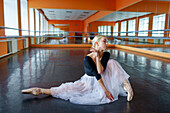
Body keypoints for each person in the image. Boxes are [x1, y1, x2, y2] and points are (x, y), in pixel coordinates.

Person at [22, 35, 134, 105]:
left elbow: (101, 70)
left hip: (104, 78)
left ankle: (127, 85)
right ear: (96, 43)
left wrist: (98, 57)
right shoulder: (87, 59)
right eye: (104, 41)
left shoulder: (106, 54)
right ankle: (39, 90)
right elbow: (97, 74)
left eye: (107, 41)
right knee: (68, 88)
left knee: (112, 63)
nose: (107, 43)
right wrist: (105, 90)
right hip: (91, 81)